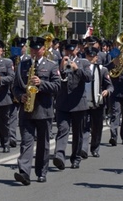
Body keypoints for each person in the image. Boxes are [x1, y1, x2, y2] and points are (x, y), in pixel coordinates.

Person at [12, 36, 60, 185]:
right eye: (32, 49)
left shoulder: (52, 65)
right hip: (27, 110)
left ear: (43, 49)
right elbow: (15, 87)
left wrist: (42, 83)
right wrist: (21, 97)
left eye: (37, 49)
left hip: (44, 110)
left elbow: (57, 87)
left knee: (43, 144)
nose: (35, 51)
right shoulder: (23, 65)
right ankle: (24, 172)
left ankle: (41, 172)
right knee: (26, 142)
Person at [53, 39, 92, 170]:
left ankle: (75, 158)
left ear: (76, 50)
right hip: (62, 103)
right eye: (67, 50)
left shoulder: (84, 62)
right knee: (63, 129)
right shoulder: (57, 63)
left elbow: (88, 78)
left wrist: (76, 69)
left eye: (72, 50)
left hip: (78, 104)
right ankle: (59, 156)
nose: (69, 52)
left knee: (78, 133)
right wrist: (60, 68)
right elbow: (55, 80)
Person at [81, 46, 113, 158]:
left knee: (97, 127)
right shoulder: (81, 68)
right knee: (84, 126)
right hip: (84, 103)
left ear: (96, 57)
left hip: (98, 103)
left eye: (92, 57)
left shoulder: (102, 70)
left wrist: (107, 91)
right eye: (88, 56)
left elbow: (110, 86)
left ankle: (95, 148)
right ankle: (83, 149)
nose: (90, 59)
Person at [8, 37, 29, 148]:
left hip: (25, 90)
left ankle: (26, 136)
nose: (20, 49)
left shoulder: (28, 60)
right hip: (13, 90)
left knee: (24, 115)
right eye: (18, 47)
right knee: (11, 115)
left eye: (22, 47)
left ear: (25, 47)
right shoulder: (11, 59)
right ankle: (12, 137)